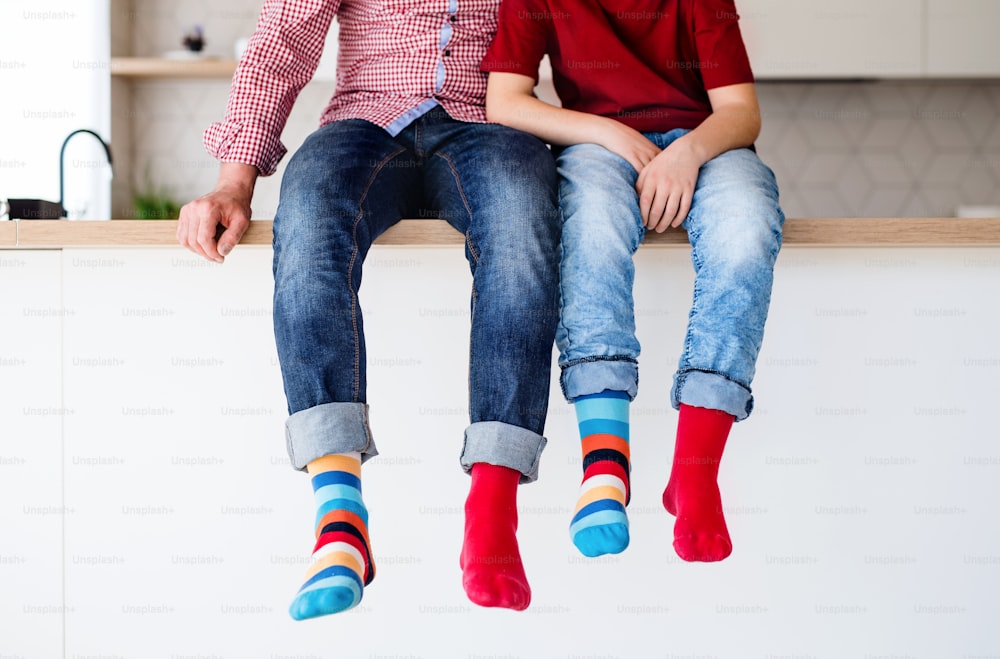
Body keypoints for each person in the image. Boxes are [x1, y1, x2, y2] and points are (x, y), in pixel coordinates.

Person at [177, 0, 561, 619]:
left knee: (522, 218)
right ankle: (339, 520)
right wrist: (234, 183)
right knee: (307, 213)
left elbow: (581, 31)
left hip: (491, 124)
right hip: (366, 120)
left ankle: (494, 511)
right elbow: (284, 39)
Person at [483, 0, 784, 562]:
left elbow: (742, 112)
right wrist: (609, 133)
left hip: (708, 144)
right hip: (598, 146)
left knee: (746, 229)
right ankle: (604, 469)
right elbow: (504, 100)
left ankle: (695, 476)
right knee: (592, 231)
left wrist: (687, 153)